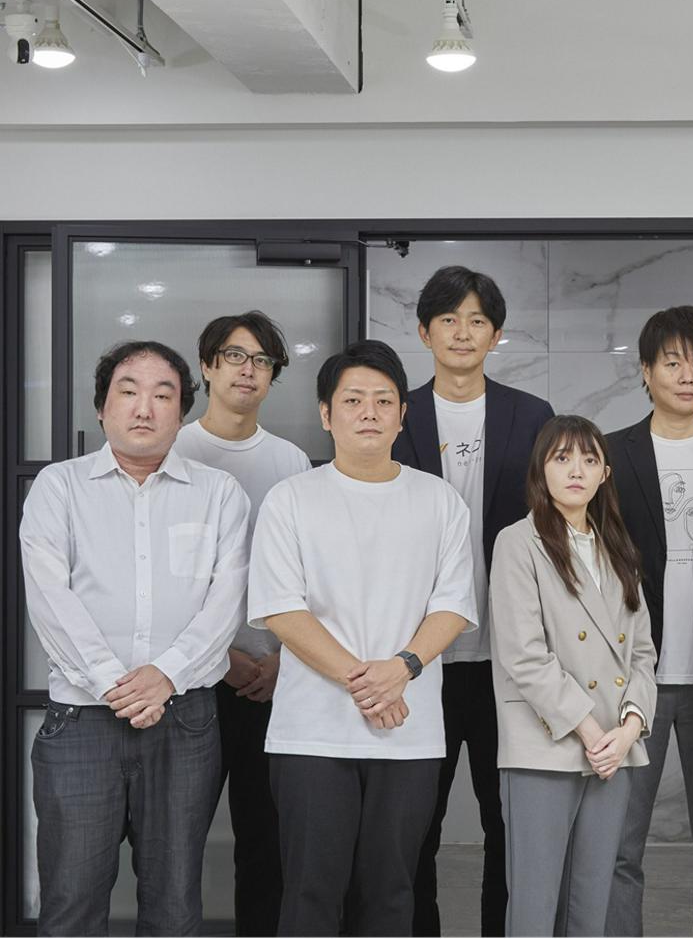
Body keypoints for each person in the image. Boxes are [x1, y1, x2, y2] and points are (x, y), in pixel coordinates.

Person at [20, 340, 250, 936]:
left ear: (182, 412)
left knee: (175, 905)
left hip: (185, 721)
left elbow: (227, 601)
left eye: (162, 395)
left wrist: (167, 675)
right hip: (82, 720)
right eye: (128, 391)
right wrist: (115, 684)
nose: (144, 407)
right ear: (102, 407)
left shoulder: (219, 493)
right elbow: (50, 598)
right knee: (71, 902)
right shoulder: (59, 487)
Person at [248, 339, 477, 936]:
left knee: (393, 893)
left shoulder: (440, 501)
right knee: (310, 892)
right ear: (327, 414)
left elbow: (452, 606)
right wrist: (369, 682)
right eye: (352, 400)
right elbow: (282, 610)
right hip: (311, 733)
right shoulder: (291, 499)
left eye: (383, 400)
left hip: (409, 732)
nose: (369, 412)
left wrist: (401, 668)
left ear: (403, 415)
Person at [392, 265, 554, 937]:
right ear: (424, 332)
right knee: (413, 828)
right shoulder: (394, 412)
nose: (462, 332)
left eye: (477, 320)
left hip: (505, 661)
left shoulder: (532, 416)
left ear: (497, 334)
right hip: (416, 660)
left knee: (506, 823)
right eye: (448, 320)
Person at [604, 305, 693, 936]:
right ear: (645, 370)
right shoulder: (610, 455)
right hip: (632, 678)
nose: (687, 376)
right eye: (672, 362)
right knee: (619, 843)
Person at [489, 415, 658, 937]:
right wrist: (590, 730)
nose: (576, 470)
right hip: (547, 743)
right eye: (562, 458)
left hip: (613, 749)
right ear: (541, 469)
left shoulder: (617, 546)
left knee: (592, 903)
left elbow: (643, 653)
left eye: (589, 459)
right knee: (535, 906)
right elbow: (524, 656)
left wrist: (628, 730)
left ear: (605, 473)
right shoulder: (518, 542)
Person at [172, 310, 311, 937]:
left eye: (261, 360)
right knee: (175, 839)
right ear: (206, 366)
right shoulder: (173, 450)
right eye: (233, 356)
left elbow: (308, 574)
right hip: (189, 683)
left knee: (266, 841)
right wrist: (221, 657)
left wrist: (284, 658)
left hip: (273, 683)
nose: (247, 370)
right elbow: (163, 581)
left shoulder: (291, 461)